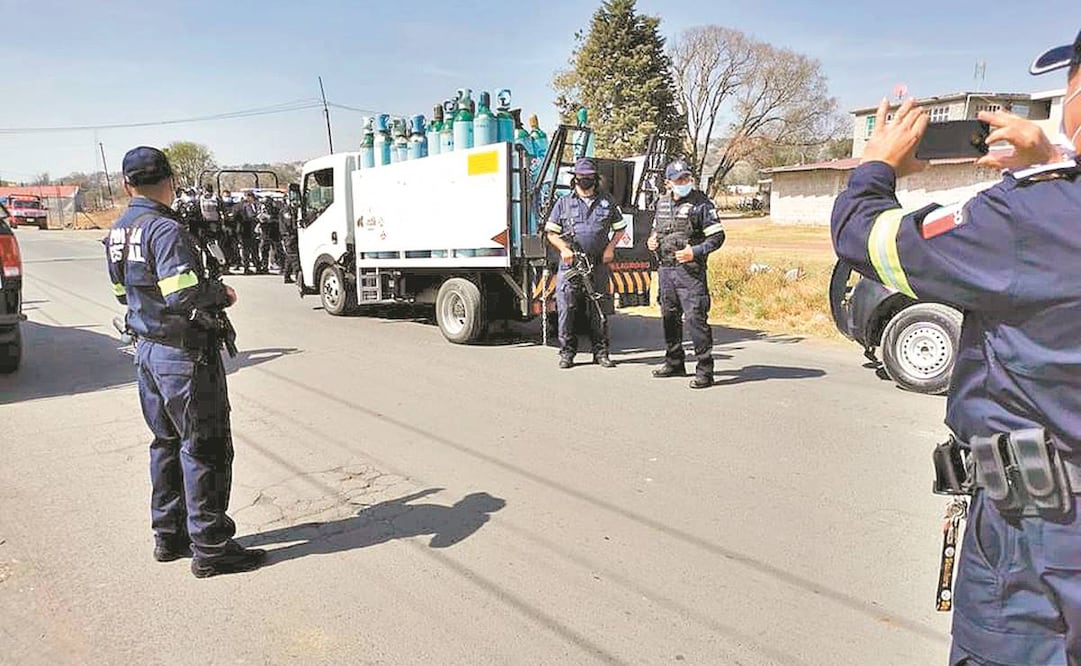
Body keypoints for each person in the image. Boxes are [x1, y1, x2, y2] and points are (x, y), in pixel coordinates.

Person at [831, 31, 1081, 665]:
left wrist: (876, 167)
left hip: (1042, 534)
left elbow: (867, 237)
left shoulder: (1034, 216)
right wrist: (1054, 157)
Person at [104, 146, 265, 578]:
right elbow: (182, 295)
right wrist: (222, 295)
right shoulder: (164, 230)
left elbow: (123, 294)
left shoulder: (119, 230)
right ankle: (211, 546)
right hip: (183, 355)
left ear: (126, 184)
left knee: (166, 444)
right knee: (205, 447)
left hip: (147, 352)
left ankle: (169, 535)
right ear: (171, 181)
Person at [646, 160, 725, 389]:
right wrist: (652, 242)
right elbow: (657, 231)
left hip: (690, 273)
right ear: (668, 183)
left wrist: (695, 251)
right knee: (669, 317)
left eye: (687, 178)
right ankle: (674, 361)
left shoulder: (701, 204)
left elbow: (717, 237)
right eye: (679, 179)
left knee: (695, 319)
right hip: (666, 270)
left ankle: (705, 370)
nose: (684, 183)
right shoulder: (661, 204)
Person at [544, 157, 626, 369]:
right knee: (567, 310)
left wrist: (610, 248)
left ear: (595, 179)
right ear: (575, 179)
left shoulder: (607, 201)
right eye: (581, 177)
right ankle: (567, 353)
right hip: (571, 266)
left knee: (599, 310)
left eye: (589, 178)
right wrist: (563, 248)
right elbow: (551, 232)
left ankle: (601, 353)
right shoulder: (563, 203)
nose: (585, 181)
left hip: (598, 264)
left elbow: (620, 229)